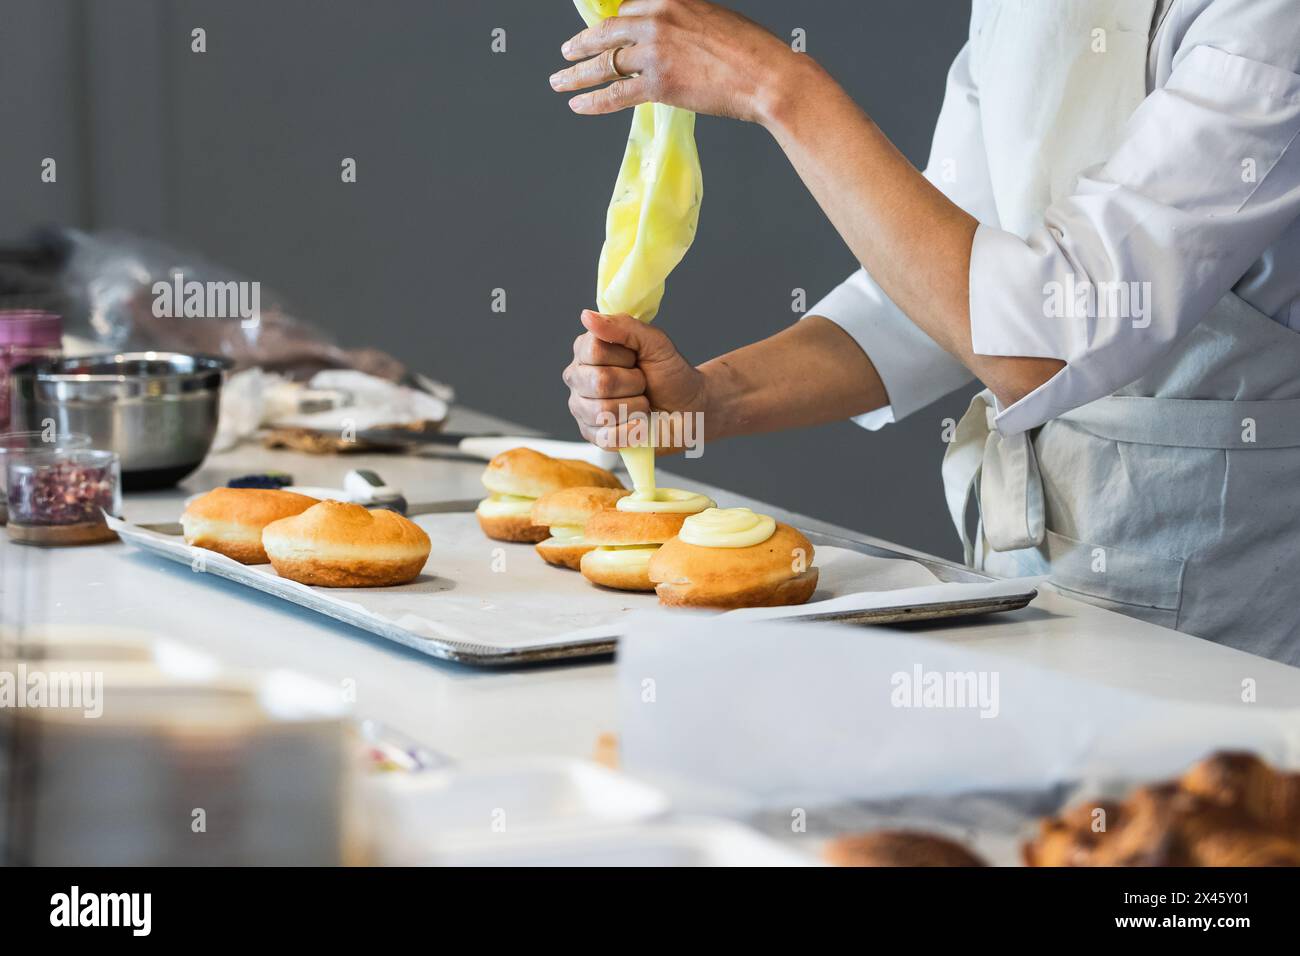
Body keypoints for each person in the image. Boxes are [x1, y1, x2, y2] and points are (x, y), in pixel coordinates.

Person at [552, 0, 1300, 663]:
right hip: (1030, 573)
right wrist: (709, 400)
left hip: (1226, 593)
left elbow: (1038, 346)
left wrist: (775, 87)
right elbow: (937, 286)